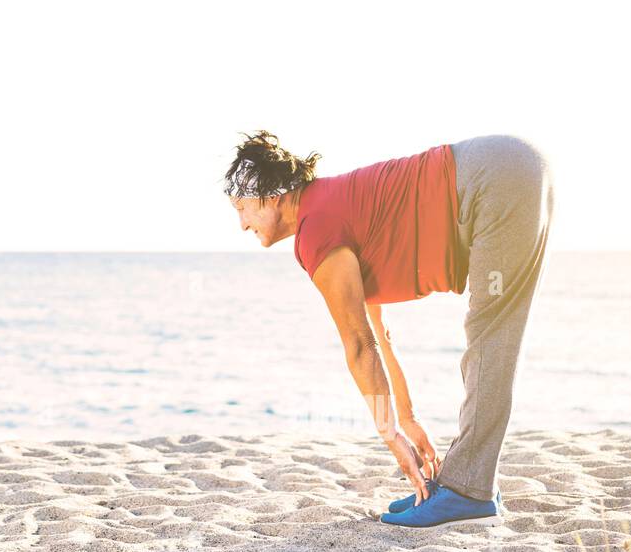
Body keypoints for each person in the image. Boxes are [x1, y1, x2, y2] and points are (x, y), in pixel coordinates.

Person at [223, 131, 555, 528]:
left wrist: (390, 436)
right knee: (491, 331)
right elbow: (379, 335)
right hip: (504, 169)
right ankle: (469, 482)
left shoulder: (317, 230)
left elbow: (358, 346)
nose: (242, 224)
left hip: (496, 179)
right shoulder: (330, 209)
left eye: (242, 208)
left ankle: (470, 492)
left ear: (272, 196)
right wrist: (406, 419)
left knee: (492, 330)